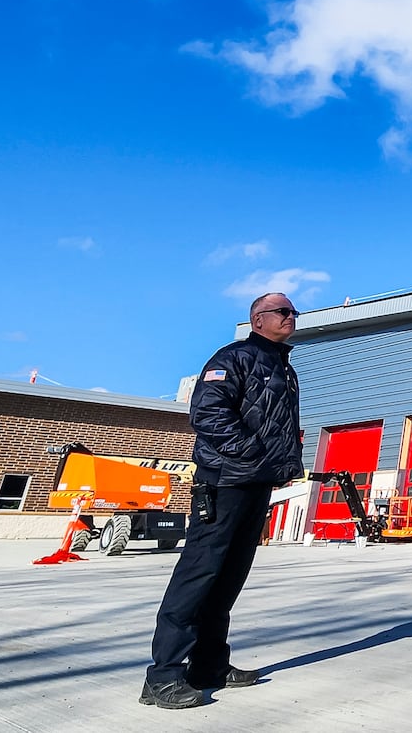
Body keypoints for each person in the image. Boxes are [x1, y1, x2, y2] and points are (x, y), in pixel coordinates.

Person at [140, 292, 305, 710]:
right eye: (283, 311)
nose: (291, 317)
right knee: (199, 573)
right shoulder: (232, 357)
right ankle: (162, 676)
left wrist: (279, 466)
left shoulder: (284, 367)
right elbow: (208, 413)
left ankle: (210, 665)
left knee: (230, 576)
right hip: (225, 482)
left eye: (294, 312)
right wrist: (250, 453)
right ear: (257, 318)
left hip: (257, 484)